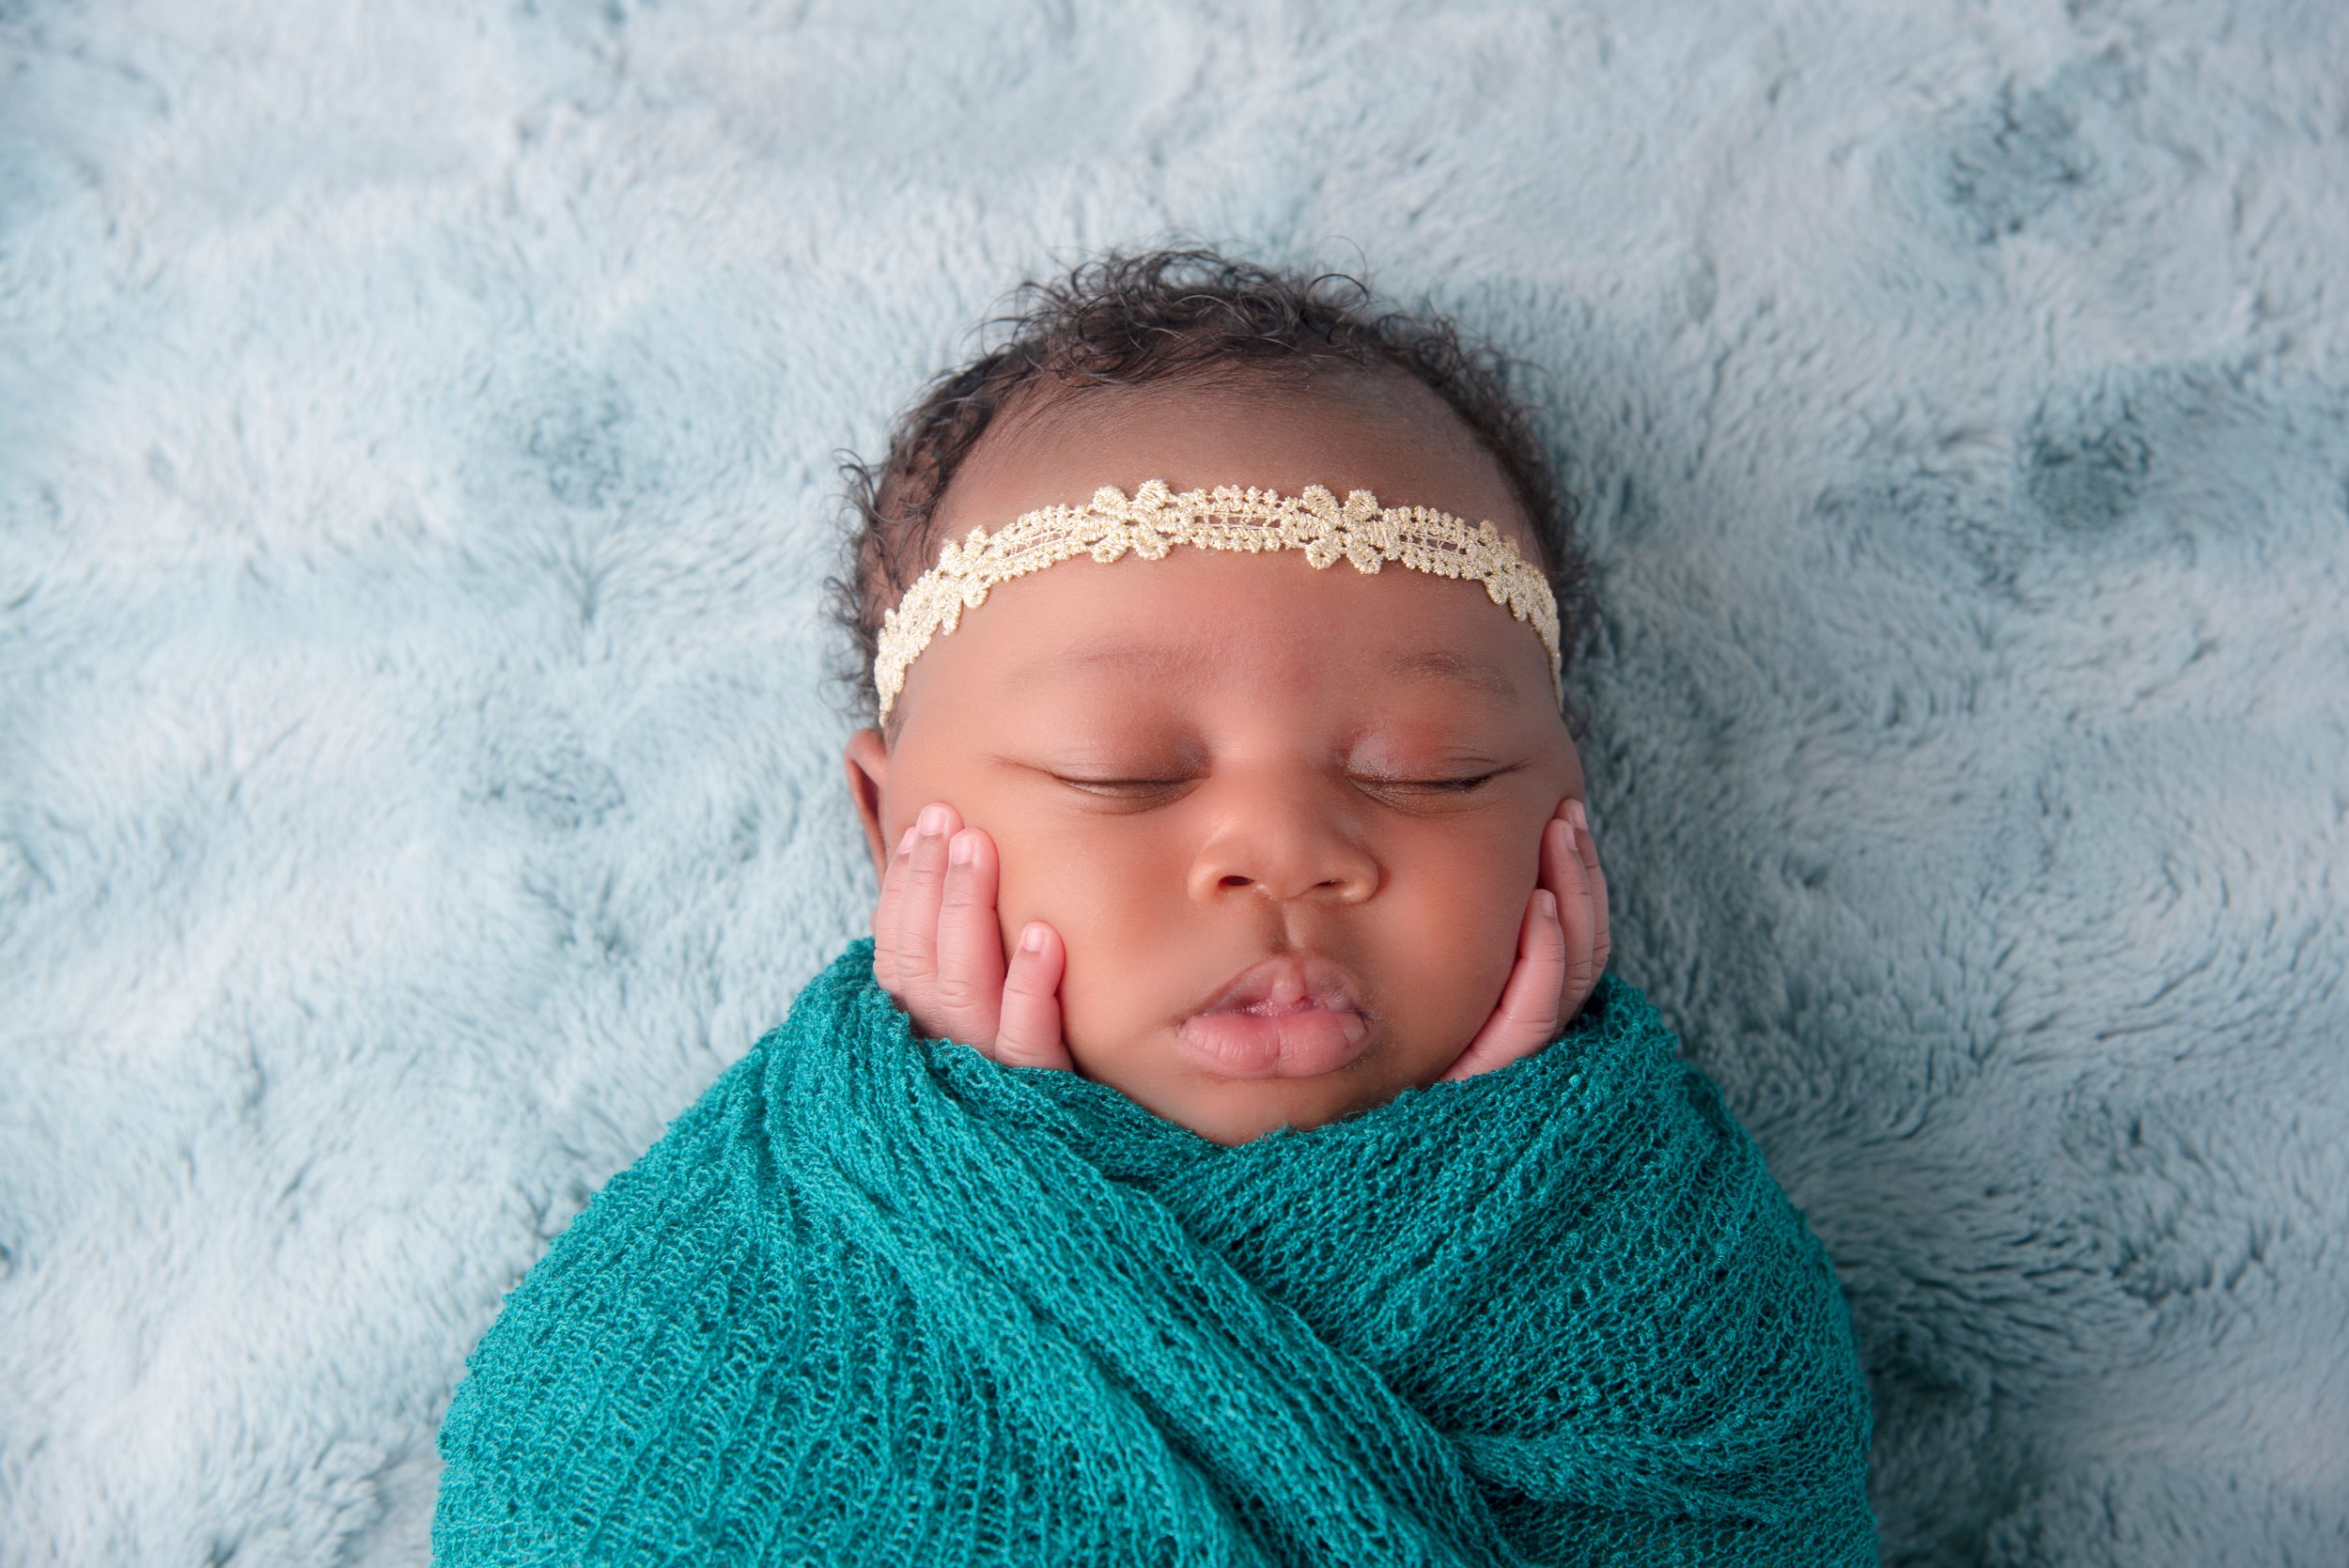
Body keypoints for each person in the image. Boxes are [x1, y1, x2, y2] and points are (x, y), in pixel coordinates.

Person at [431, 249, 1879, 1565]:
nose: (1287, 848)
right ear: (888, 827)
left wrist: (1523, 1184)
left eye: (1437, 771)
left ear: (1571, 807)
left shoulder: (1681, 1301)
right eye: (1118, 770)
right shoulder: (705, 1336)